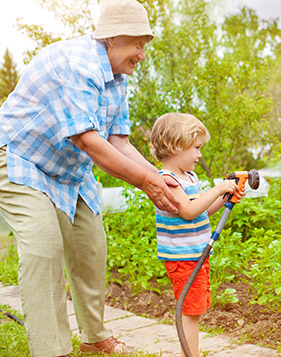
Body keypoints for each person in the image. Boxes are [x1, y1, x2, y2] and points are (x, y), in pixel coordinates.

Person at [0, 0, 181, 355]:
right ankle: (52, 349)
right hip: (19, 157)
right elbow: (89, 140)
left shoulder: (116, 78)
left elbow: (119, 142)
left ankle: (94, 338)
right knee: (43, 246)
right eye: (137, 43)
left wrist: (159, 176)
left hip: (67, 167)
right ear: (112, 39)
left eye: (145, 44)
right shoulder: (77, 64)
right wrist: (145, 183)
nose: (142, 54)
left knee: (90, 247)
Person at [150, 113, 243, 357]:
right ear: (175, 146)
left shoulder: (190, 177)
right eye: (196, 148)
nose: (200, 154)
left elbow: (203, 212)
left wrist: (224, 198)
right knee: (191, 313)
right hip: (184, 258)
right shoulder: (167, 180)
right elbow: (189, 211)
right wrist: (217, 188)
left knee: (195, 310)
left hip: (196, 254)